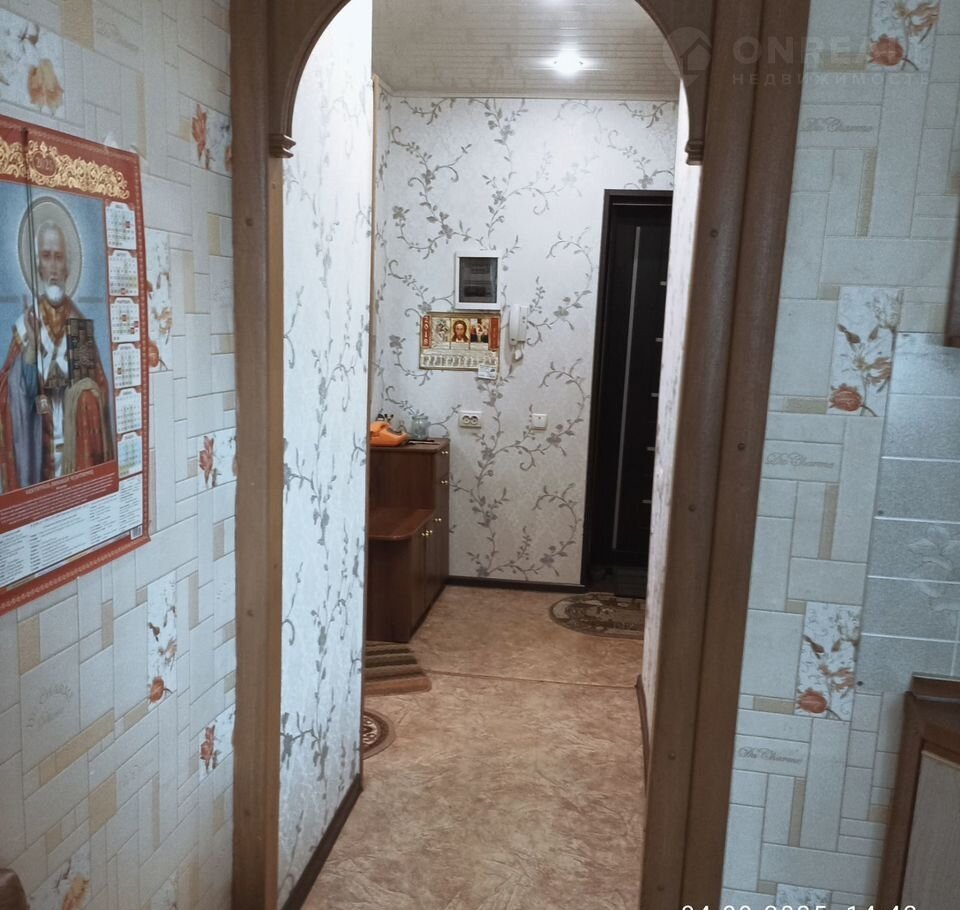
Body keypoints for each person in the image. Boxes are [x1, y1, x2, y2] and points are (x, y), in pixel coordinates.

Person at [0, 220, 113, 491]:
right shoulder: (26, 325)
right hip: (39, 456)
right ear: (38, 266)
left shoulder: (79, 327)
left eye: (58, 257)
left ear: (67, 266)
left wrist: (84, 398)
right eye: (46, 256)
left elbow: (101, 390)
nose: (53, 267)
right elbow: (7, 394)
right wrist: (29, 355)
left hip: (77, 455)